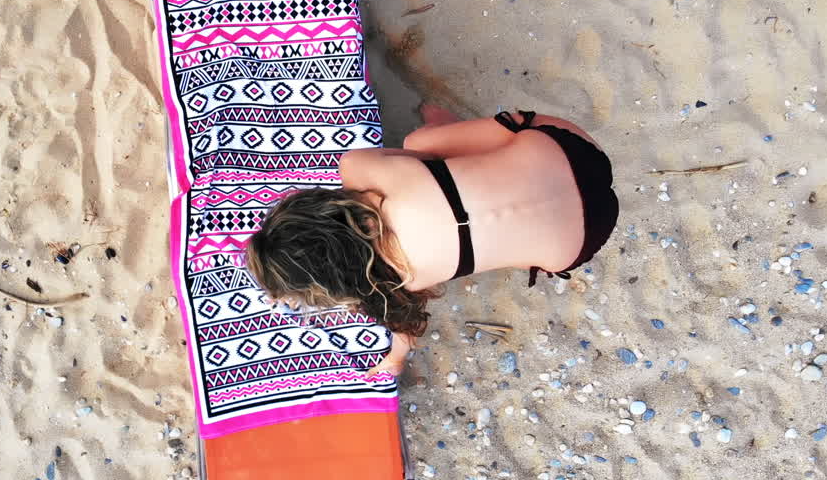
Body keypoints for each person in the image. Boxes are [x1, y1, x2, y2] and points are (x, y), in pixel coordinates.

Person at [245, 105, 618, 378]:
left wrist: (393, 361)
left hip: (581, 238)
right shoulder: (356, 169)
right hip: (575, 152)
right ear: (309, 206)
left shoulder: (395, 281)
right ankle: (450, 131)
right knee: (422, 143)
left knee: (507, 245)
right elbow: (417, 158)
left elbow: (403, 327)